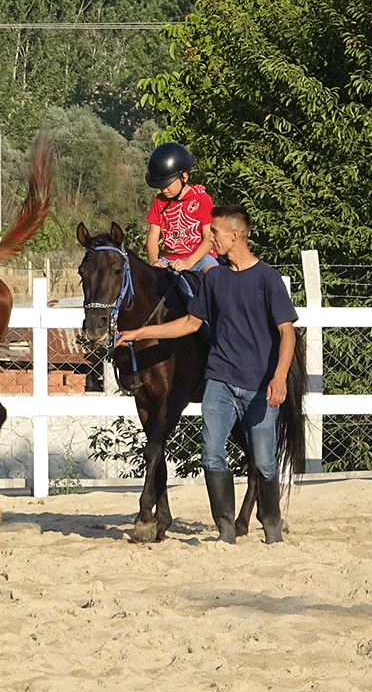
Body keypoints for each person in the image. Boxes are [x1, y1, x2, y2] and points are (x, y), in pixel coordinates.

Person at [115, 204, 298, 544]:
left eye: (214, 231)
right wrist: (138, 334)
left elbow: (287, 333)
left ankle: (271, 523)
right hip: (219, 381)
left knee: (264, 459)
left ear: (235, 234)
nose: (207, 236)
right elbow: (190, 323)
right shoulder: (214, 278)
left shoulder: (268, 279)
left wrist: (279, 376)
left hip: (259, 383)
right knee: (212, 453)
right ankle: (226, 530)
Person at [144, 142, 219, 273]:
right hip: (169, 259)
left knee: (213, 275)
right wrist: (154, 260)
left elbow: (209, 237)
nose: (163, 189)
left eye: (167, 184)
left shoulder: (202, 199)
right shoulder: (159, 202)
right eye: (160, 185)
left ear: (184, 177)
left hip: (201, 258)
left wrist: (189, 262)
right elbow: (152, 237)